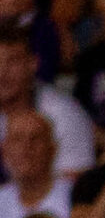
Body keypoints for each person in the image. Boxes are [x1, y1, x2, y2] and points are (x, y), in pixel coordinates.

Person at [0, 25, 95, 174]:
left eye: (13, 61)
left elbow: (75, 181)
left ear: (33, 64)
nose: (2, 72)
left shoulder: (64, 114)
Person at [0, 110, 68, 218]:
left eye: (35, 138)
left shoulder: (74, 197)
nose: (26, 147)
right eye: (17, 139)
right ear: (4, 151)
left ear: (52, 149)